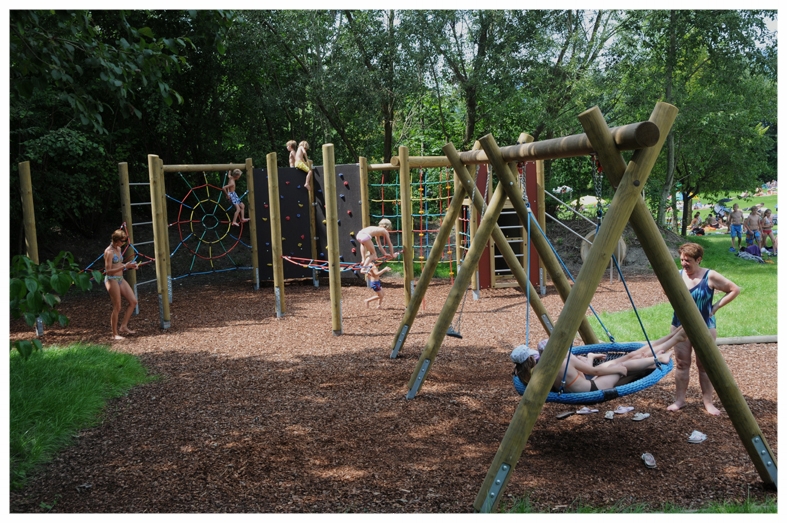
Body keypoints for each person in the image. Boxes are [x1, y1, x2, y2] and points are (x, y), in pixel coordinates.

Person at [667, 243, 740, 415]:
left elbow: (734, 289)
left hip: (705, 326)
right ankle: (679, 400)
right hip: (679, 325)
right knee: (682, 363)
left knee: (704, 366)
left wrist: (714, 308)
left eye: (688, 260)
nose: (684, 263)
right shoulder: (677, 275)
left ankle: (708, 402)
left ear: (698, 259)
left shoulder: (710, 276)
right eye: (682, 259)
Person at [513, 328, 685, 394]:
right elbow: (594, 372)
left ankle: (672, 337)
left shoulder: (538, 371)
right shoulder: (564, 360)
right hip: (592, 388)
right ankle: (660, 356)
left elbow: (583, 374)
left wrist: (591, 357)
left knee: (630, 356)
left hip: (586, 385)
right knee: (623, 364)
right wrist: (616, 370)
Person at [103, 229, 139, 340]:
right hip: (111, 279)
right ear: (116, 240)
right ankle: (114, 334)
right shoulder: (109, 252)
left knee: (133, 302)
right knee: (117, 307)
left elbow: (118, 263)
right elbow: (108, 271)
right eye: (122, 241)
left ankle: (123, 326)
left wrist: (130, 265)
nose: (123, 243)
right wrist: (124, 267)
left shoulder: (118, 248)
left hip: (120, 278)